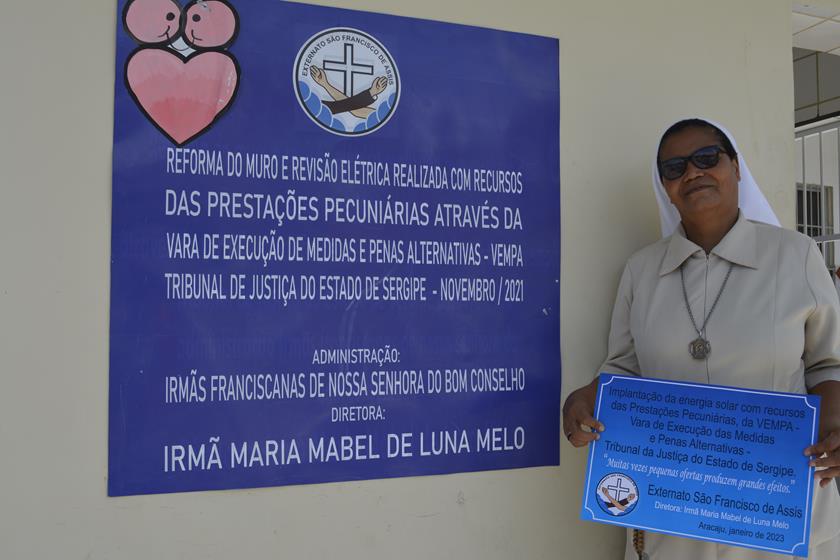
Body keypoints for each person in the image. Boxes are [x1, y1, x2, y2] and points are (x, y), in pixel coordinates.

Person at [562, 118, 840, 559]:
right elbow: (624, 370)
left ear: (736, 167)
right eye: (674, 168)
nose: (692, 172)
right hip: (672, 511)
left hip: (776, 505)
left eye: (707, 158)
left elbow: (828, 363)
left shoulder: (796, 256)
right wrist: (584, 400)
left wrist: (834, 426)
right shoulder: (641, 271)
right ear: (666, 187)